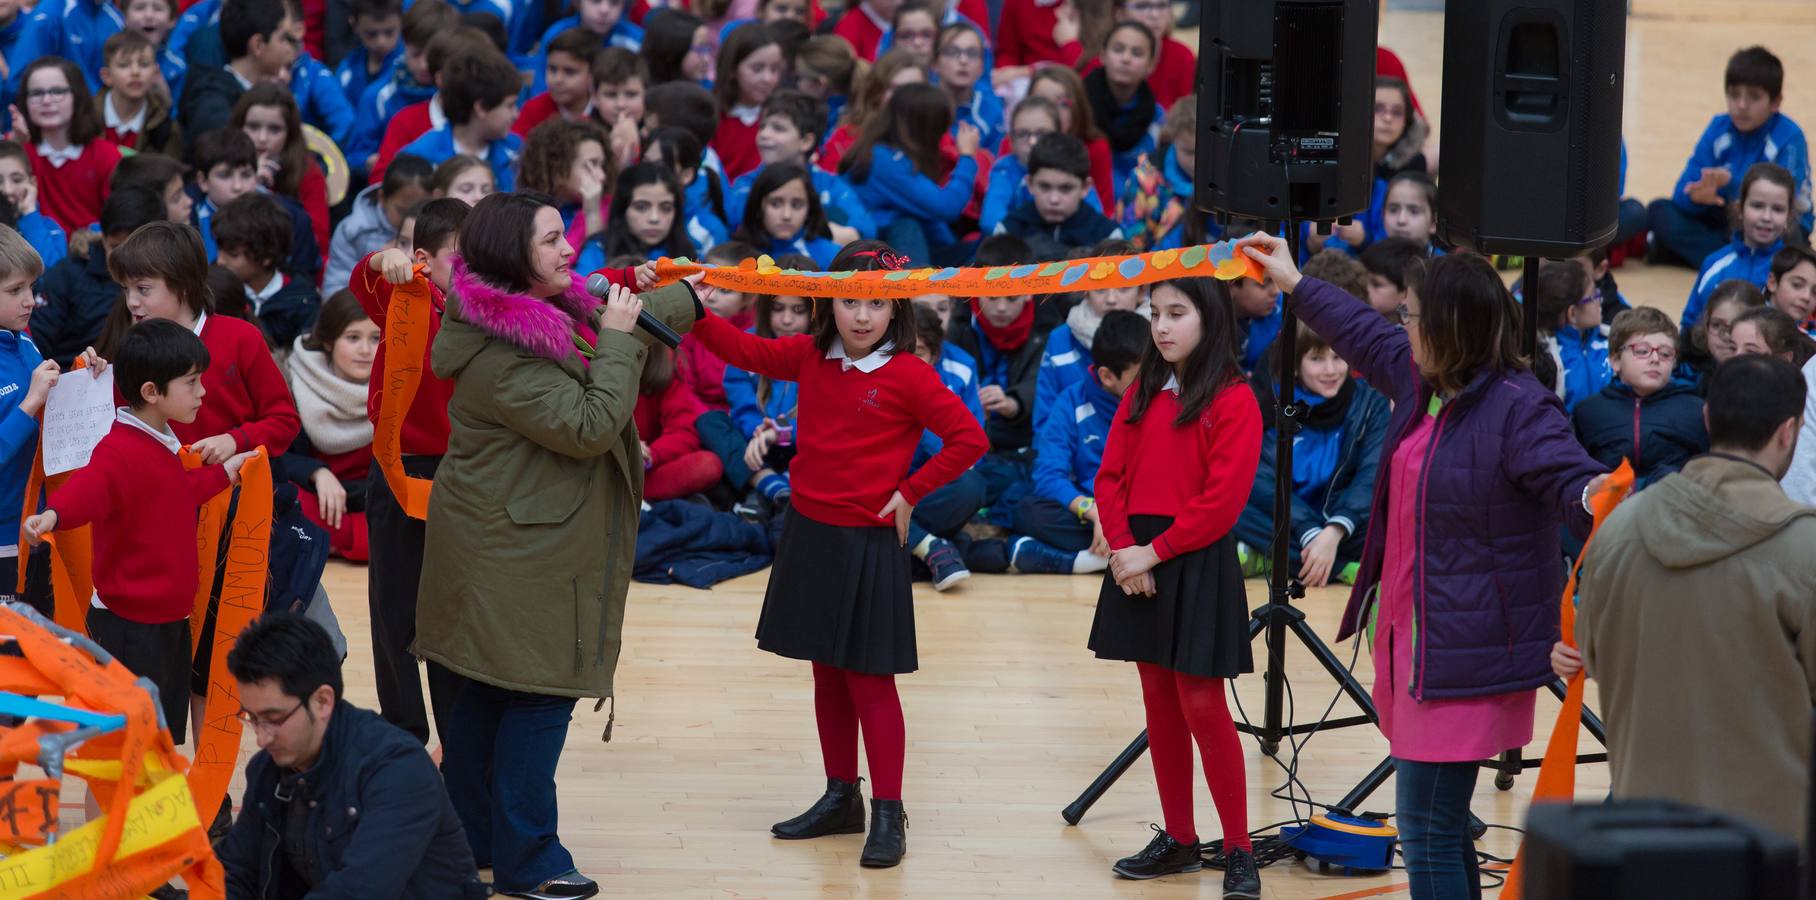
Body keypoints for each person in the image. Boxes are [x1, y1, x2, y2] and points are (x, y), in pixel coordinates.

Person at [1238, 233, 1607, 900]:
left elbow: (1571, 480)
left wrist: (1596, 495)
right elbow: (1357, 329)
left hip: (1467, 652)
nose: (1400, 324)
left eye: (1410, 314)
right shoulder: (1420, 378)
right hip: (1416, 643)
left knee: (1426, 827)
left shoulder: (1519, 408)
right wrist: (1295, 282)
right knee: (1436, 823)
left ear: (1450, 327)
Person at [412, 191, 695, 900]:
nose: (569, 250)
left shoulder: (527, 308)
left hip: (513, 538)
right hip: (512, 549)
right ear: (514, 257)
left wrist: (695, 294)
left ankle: (477, 839)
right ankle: (530, 859)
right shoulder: (504, 353)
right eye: (550, 241)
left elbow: (605, 315)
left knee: (490, 693)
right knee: (538, 697)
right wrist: (627, 341)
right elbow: (589, 424)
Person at [687, 239, 988, 868]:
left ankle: (888, 811)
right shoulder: (808, 355)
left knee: (870, 680)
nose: (860, 317)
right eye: (849, 302)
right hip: (810, 534)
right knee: (826, 670)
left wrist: (910, 492)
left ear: (895, 311)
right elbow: (741, 349)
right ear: (829, 302)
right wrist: (695, 309)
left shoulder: (908, 373)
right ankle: (840, 796)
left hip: (868, 542)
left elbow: (968, 437)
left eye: (875, 305)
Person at [1567, 355, 1816, 844]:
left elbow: (1590, 652)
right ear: (1788, 431)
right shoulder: (1804, 549)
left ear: (1706, 418)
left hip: (1642, 828)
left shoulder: (1619, 527)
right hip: (1769, 841)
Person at [1087, 276, 1261, 896]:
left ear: (1209, 320)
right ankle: (1182, 838)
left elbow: (1221, 503)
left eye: (1176, 314)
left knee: (1202, 703)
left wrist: (1150, 555)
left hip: (1190, 557)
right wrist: (1124, 549)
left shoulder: (1235, 399)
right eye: (1154, 313)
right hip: (1139, 555)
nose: (1160, 327)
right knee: (1158, 699)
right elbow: (1109, 475)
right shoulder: (1142, 389)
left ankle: (1239, 848)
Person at [25, 318, 251, 747]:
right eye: (192, 382)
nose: (202, 392)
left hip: (168, 623)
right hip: (128, 630)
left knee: (156, 745)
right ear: (152, 392)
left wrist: (226, 473)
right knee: (116, 749)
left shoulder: (160, 441)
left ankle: (142, 816)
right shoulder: (119, 450)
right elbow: (89, 489)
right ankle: (112, 816)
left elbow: (177, 493)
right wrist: (52, 516)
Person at [218, 612, 488, 898]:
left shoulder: (398, 770)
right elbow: (236, 872)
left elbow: (360, 890)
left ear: (323, 701)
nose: (261, 737)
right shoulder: (269, 768)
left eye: (274, 718)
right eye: (252, 718)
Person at [349, 197, 467, 747]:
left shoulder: (487, 313)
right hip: (399, 470)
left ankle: (458, 735)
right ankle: (404, 733)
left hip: (465, 474)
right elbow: (361, 279)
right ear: (422, 258)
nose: (472, 275)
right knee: (393, 610)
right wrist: (383, 261)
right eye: (459, 261)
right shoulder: (403, 298)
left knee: (453, 614)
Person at [1233, 320, 1390, 587]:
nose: (1331, 370)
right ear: (1295, 365)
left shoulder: (1371, 402)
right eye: (1317, 359)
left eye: (1338, 357)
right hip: (1289, 520)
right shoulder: (1273, 404)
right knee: (1234, 506)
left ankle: (1276, 559)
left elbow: (1371, 473)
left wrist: (1334, 531)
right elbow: (1262, 480)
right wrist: (1307, 530)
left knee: (1394, 521)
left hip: (1346, 524)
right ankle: (1340, 568)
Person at [1648, 46, 1811, 269]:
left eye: (1754, 97)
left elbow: (1784, 201)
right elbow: (1681, 195)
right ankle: (1746, 260)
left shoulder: (1790, 137)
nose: (1742, 106)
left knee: (1790, 240)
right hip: (1729, 218)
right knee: (1660, 211)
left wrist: (1730, 183)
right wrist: (1696, 199)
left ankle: (1720, 258)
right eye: (1734, 95)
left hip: (1776, 222)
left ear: (1776, 102)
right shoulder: (1718, 127)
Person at [1016, 308, 1146, 560]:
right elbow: (1048, 475)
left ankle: (1093, 558)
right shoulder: (1072, 401)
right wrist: (1095, 512)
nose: (1154, 382)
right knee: (1027, 511)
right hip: (1092, 509)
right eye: (1140, 378)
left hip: (1144, 509)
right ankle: (1118, 554)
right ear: (1107, 376)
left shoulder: (1165, 397)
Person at [841, 82, 982, 267]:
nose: (944, 137)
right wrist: (967, 157)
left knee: (987, 248)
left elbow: (931, 217)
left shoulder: (900, 156)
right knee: (907, 225)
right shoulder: (882, 159)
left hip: (915, 251)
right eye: (940, 129)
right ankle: (916, 294)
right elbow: (946, 206)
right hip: (873, 254)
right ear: (924, 128)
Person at [283, 291, 378, 561]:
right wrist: (317, 473)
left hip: (371, 503)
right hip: (317, 500)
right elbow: (276, 456)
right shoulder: (293, 383)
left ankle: (331, 541)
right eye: (353, 337)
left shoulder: (399, 389)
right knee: (279, 494)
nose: (365, 350)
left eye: (376, 338)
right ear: (328, 340)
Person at [1572, 307, 1708, 489]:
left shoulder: (1696, 410)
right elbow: (1577, 473)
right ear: (1615, 361)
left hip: (1672, 507)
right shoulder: (1588, 412)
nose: (1655, 359)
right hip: (1608, 510)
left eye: (1665, 354)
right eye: (1642, 351)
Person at [34, 187, 165, 368]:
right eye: (116, 247)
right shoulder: (67, 276)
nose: (125, 259)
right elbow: (37, 347)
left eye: (142, 289)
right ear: (103, 237)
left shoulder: (168, 281)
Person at [0, 227, 60, 618]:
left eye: (32, 287)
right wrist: (31, 402)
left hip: (35, 523)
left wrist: (79, 377)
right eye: (15, 290)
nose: (30, 300)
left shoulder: (23, 339)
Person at [725, 90, 873, 242]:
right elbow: (746, 227)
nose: (764, 134)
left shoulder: (830, 186)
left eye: (778, 128)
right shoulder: (745, 184)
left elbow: (863, 232)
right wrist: (820, 229)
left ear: (806, 142)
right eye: (762, 126)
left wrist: (808, 230)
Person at [1033, 238, 1145, 431]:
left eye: (1124, 288)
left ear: (1142, 291)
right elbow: (1046, 422)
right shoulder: (1059, 340)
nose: (1111, 299)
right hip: (1074, 456)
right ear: (1085, 290)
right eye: (1100, 288)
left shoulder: (1160, 336)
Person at [13, 57, 122, 233]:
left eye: (57, 91)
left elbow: (117, 222)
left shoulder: (106, 155)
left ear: (77, 96)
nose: (47, 100)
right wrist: (14, 147)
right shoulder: (18, 149)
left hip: (92, 252)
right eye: (37, 93)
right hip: (30, 254)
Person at [1681, 162, 1793, 331]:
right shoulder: (1714, 264)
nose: (1767, 217)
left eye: (1777, 209)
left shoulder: (1794, 271)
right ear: (1740, 209)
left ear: (1789, 216)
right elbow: (1690, 325)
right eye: (1757, 206)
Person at [396, 46, 524, 192]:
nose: (516, 114)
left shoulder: (516, 150)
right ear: (481, 107)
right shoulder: (419, 159)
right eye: (510, 105)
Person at [232, 82, 330, 264]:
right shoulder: (221, 165)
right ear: (239, 126)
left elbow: (317, 243)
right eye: (253, 127)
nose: (262, 138)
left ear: (290, 134)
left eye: (274, 129)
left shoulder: (308, 173)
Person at [212, 191, 322, 350]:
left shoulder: (303, 303)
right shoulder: (214, 290)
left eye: (233, 255)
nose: (220, 260)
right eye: (220, 249)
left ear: (266, 257)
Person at [178, 0, 298, 142]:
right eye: (283, 39)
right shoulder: (211, 105)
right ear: (258, 44)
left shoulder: (268, 94)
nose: (288, 49)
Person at [995, 132, 1121, 259]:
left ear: (1085, 187)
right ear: (1030, 184)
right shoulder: (1008, 231)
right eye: (1044, 186)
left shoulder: (1107, 236)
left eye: (1066, 188)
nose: (1054, 199)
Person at [327, 153, 433, 292]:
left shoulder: (440, 228)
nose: (409, 217)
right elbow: (335, 288)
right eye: (401, 210)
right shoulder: (353, 230)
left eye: (420, 208)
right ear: (382, 198)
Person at [632, 344, 723, 500]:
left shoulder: (664, 359)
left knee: (707, 465)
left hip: (644, 467)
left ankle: (633, 497)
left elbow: (684, 430)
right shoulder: (587, 352)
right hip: (600, 467)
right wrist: (626, 447)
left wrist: (650, 456)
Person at [1084, 20, 1161, 193]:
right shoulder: (1078, 110)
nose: (1126, 59)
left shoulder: (1159, 120)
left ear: (1151, 64)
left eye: (1137, 53)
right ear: (1102, 55)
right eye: (1118, 49)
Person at [1534, 256, 1609, 413]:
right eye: (1593, 296)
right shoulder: (1546, 360)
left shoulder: (1610, 338)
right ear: (1573, 313)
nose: (1600, 300)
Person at [711, 23, 784, 181]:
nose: (768, 78)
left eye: (775, 69)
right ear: (732, 69)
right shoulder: (712, 118)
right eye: (757, 69)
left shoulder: (785, 118)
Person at [731, 163, 841, 267]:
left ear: (809, 210)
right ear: (758, 207)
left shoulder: (832, 257)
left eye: (796, 205)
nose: (786, 215)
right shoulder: (735, 256)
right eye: (775, 204)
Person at [98, 30, 181, 155]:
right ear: (106, 76)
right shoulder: (84, 119)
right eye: (124, 65)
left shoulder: (165, 127)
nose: (135, 72)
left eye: (144, 64)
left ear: (155, 73)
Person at [513, 28, 598, 138]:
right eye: (552, 69)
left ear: (592, 76)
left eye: (569, 72)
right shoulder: (533, 110)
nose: (557, 79)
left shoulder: (605, 110)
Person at [0, 142, 68, 272]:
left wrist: (29, 214)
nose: (7, 190)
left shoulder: (50, 228)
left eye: (17, 180)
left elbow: (53, 274)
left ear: (32, 184)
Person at [334, 0, 404, 109]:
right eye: (371, 34)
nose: (381, 42)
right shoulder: (346, 71)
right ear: (354, 26)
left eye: (389, 32)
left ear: (401, 22)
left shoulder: (412, 68)